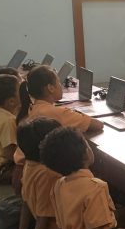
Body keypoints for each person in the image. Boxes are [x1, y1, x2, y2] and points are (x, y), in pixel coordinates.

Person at [13, 65, 103, 195]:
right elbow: (97, 125)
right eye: (59, 83)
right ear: (50, 88)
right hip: (38, 177)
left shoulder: (34, 107)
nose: (61, 86)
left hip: (25, 171)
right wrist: (76, 115)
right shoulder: (56, 112)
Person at [0, 118, 62, 229]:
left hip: (44, 220)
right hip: (58, 227)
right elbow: (43, 219)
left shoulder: (29, 164)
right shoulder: (48, 174)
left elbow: (26, 202)